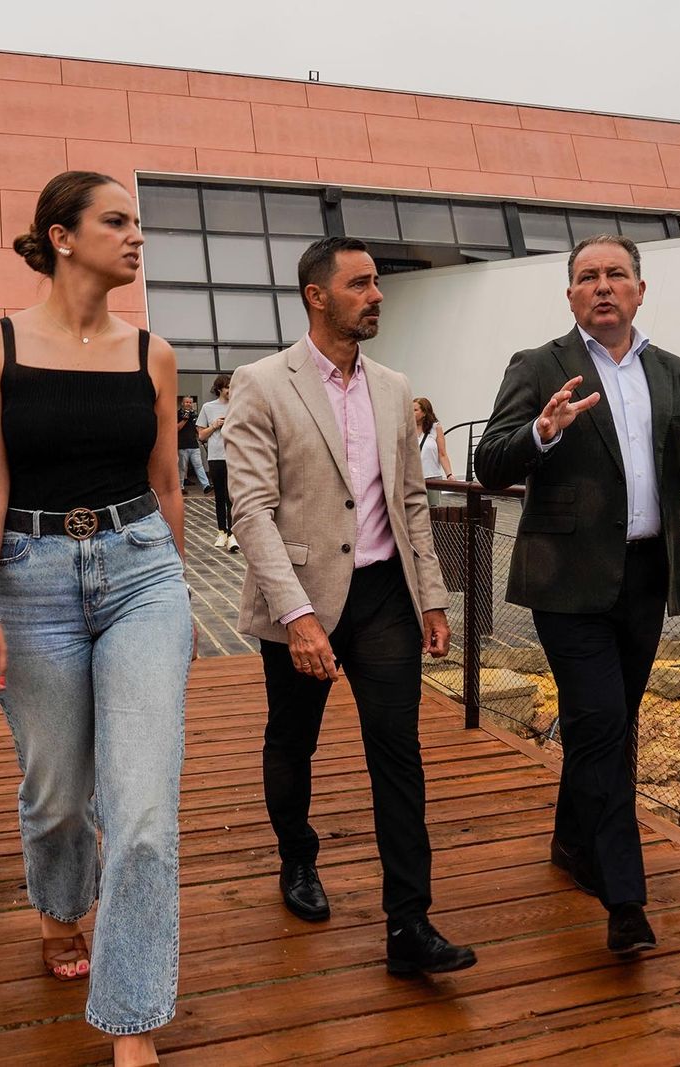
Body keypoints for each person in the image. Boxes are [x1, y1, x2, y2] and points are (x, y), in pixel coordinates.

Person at [0, 170, 191, 1067]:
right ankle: (61, 908)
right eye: (116, 222)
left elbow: (166, 481)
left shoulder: (151, 354)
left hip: (140, 575)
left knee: (140, 810)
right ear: (61, 236)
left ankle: (133, 1019)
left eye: (137, 223)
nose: (135, 237)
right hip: (30, 575)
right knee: (58, 795)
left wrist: (173, 582)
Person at [474, 234, 680, 955]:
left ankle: (572, 842)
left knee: (607, 725)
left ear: (640, 289)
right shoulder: (540, 366)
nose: (602, 286)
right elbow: (488, 460)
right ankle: (625, 896)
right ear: (570, 294)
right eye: (586, 276)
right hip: (565, 581)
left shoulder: (674, 371)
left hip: (643, 579)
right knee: (603, 724)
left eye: (616, 275)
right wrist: (539, 433)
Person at [226, 236, 475, 976]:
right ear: (318, 295)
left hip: (384, 596)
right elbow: (250, 509)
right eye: (361, 283)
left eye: (377, 284)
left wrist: (432, 595)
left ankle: (409, 924)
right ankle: (297, 858)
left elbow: (409, 500)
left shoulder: (396, 387)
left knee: (398, 752)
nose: (377, 295)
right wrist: (297, 617)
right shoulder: (263, 382)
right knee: (292, 740)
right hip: (299, 597)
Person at [197, 374, 236, 551]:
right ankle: (222, 532)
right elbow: (201, 435)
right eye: (227, 387)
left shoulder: (238, 405)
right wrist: (214, 425)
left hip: (235, 456)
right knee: (220, 496)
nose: (230, 390)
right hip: (216, 456)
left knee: (233, 497)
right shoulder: (208, 407)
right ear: (219, 389)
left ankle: (233, 534)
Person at [412, 396, 453, 506]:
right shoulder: (407, 429)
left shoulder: (435, 428)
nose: (411, 413)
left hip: (432, 476)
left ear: (424, 412)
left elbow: (442, 453)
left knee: (434, 510)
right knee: (415, 511)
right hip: (413, 478)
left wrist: (449, 474)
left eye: (415, 410)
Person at [176, 396, 210, 494]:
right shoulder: (178, 414)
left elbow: (197, 428)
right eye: (186, 402)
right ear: (182, 403)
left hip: (194, 445)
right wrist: (184, 420)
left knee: (199, 466)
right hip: (182, 445)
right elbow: (176, 428)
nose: (188, 404)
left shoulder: (194, 414)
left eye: (190, 403)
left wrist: (202, 437)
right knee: (182, 468)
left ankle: (206, 486)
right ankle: (180, 487)